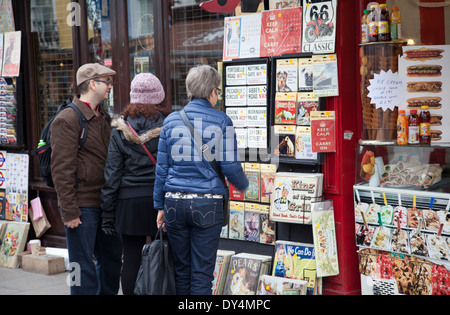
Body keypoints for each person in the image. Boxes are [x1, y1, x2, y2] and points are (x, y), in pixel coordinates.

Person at [154, 64, 248, 295]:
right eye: (217, 90)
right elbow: (229, 165)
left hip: (174, 203)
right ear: (211, 92)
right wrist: (245, 185)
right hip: (207, 204)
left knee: (182, 271)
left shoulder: (171, 120)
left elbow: (162, 169)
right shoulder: (222, 121)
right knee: (202, 273)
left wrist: (159, 206)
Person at [50, 63, 122, 295]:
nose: (110, 86)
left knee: (111, 265)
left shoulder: (103, 117)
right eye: (106, 82)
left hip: (106, 204)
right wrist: (69, 211)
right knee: (81, 270)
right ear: (92, 84)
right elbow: (61, 169)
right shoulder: (67, 119)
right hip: (82, 208)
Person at [101, 72, 170, 295]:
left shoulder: (120, 130)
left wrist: (108, 212)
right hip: (161, 201)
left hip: (128, 201)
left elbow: (112, 174)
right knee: (167, 253)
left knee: (130, 258)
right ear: (159, 97)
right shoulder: (170, 126)